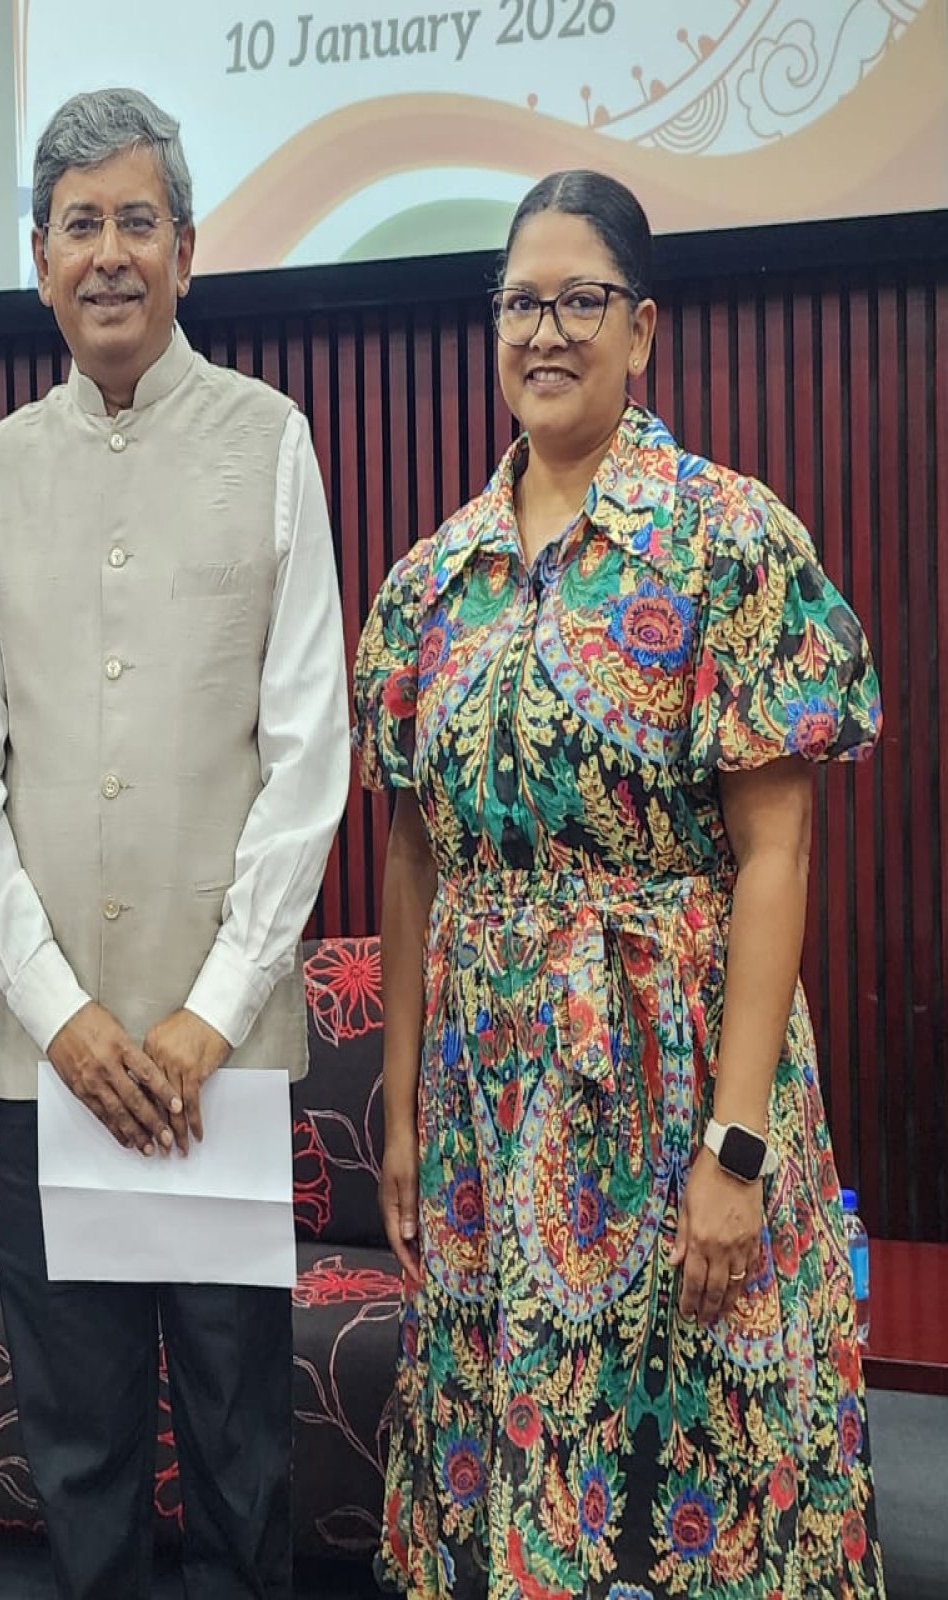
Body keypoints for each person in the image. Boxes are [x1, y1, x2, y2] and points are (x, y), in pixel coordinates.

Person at [354, 170, 886, 1598]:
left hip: (679, 1092)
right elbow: (412, 852)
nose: (547, 330)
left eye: (580, 300)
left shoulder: (731, 541)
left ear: (642, 329)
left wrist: (738, 1151)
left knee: (707, 1464)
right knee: (515, 1471)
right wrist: (405, 1105)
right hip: (487, 1106)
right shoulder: (431, 582)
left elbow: (777, 851)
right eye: (522, 300)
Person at [0, 87, 349, 1599]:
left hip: (221, 1064)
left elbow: (310, 757)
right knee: (82, 1455)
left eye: (137, 222)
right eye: (79, 226)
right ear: (37, 257)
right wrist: (65, 1016)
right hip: (48, 1066)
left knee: (242, 1452)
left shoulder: (270, 442)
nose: (109, 254)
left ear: (189, 248)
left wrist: (208, 1010)